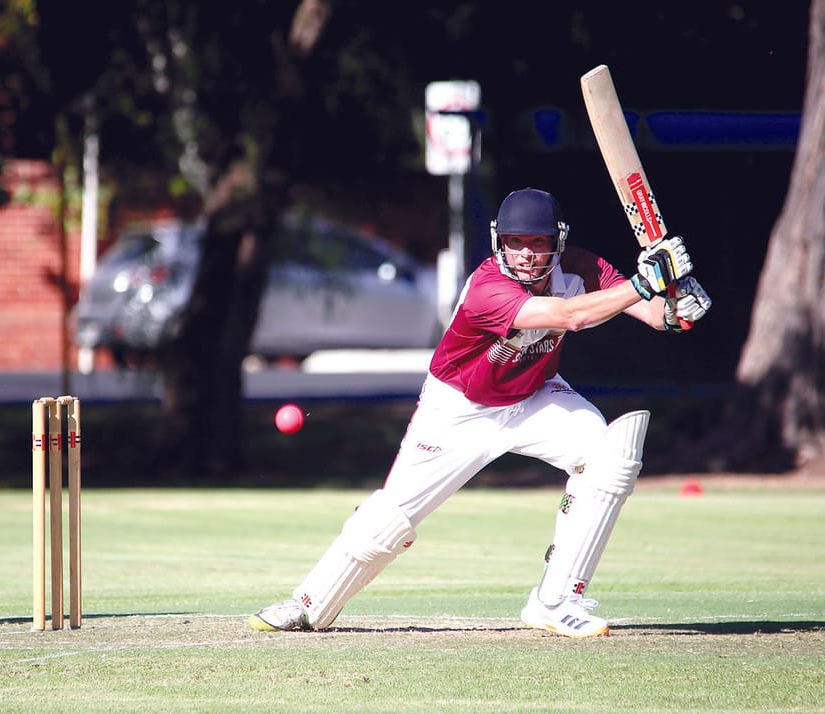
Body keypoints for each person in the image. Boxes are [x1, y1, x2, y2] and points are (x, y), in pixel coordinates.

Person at [250, 187, 712, 638]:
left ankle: (556, 602)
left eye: (538, 243)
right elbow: (572, 316)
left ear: (558, 241)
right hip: (458, 408)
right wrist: (642, 283)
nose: (528, 254)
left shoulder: (578, 266)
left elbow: (651, 313)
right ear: (499, 243)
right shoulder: (487, 287)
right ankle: (308, 604)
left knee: (610, 455)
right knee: (389, 520)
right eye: (516, 243)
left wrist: (675, 305)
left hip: (534, 396)